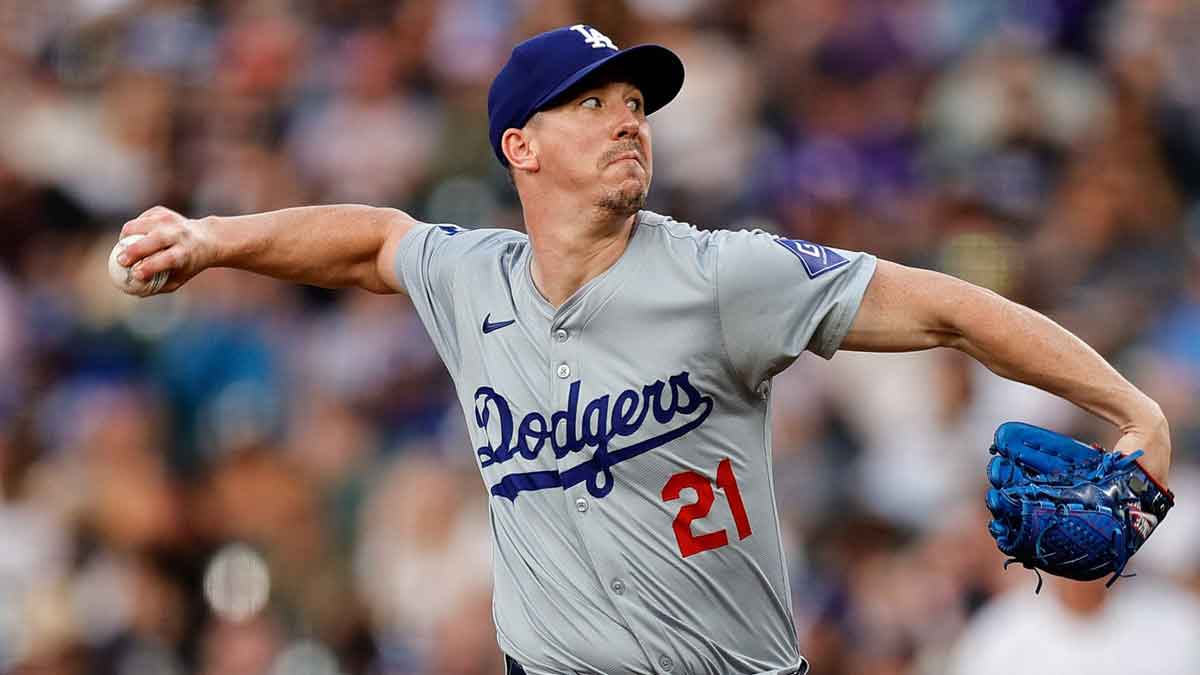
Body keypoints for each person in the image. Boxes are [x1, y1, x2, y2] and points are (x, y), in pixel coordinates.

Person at [116, 25, 1172, 675]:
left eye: (637, 104)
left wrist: (1134, 409)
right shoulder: (471, 277)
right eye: (594, 104)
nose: (629, 121)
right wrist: (216, 239)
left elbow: (949, 308)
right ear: (519, 147)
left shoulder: (724, 276)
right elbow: (375, 240)